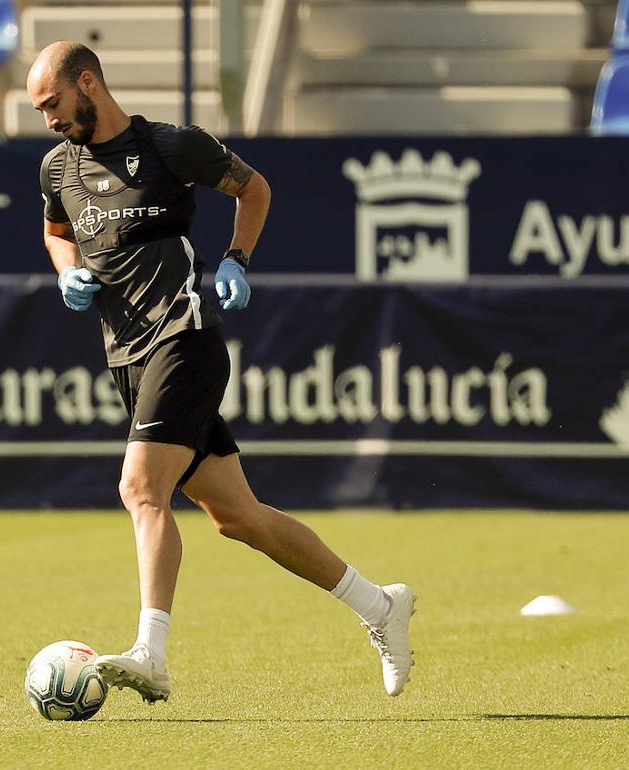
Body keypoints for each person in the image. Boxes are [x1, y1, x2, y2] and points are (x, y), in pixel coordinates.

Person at [28, 41, 416, 703]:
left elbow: (254, 188)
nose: (49, 120)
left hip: (184, 337)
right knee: (238, 517)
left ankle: (151, 653)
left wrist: (236, 258)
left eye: (54, 104)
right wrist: (68, 271)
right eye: (40, 110)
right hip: (125, 355)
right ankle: (380, 605)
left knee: (141, 488)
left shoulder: (172, 147)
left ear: (88, 83)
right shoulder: (56, 167)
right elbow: (57, 230)